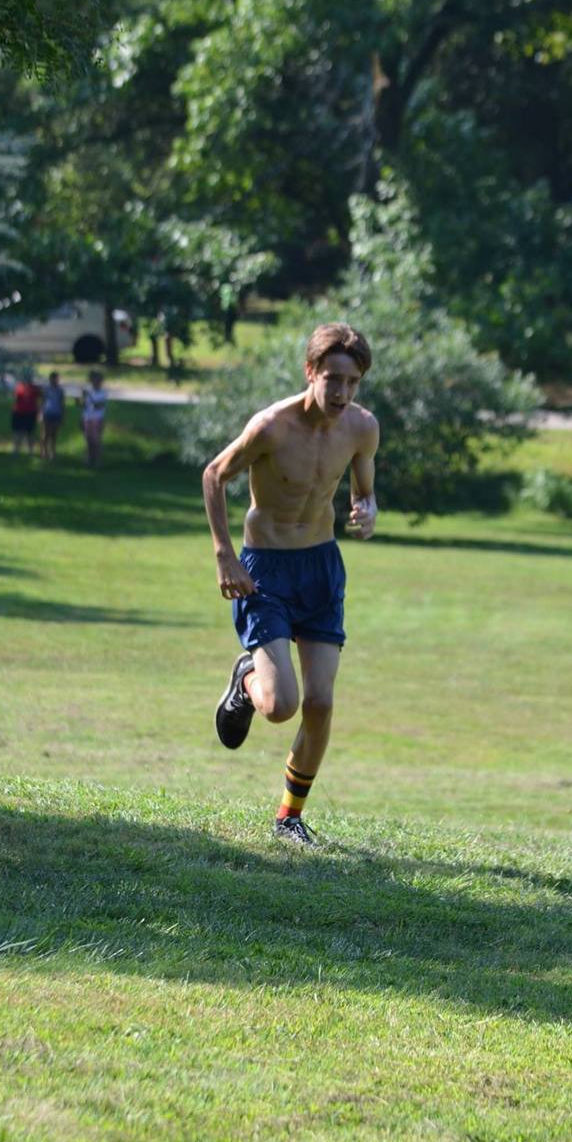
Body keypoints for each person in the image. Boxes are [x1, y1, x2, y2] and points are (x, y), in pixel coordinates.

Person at [203, 322, 378, 846]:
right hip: (266, 572)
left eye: (352, 382)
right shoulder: (271, 427)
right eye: (333, 379)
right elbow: (214, 475)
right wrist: (224, 555)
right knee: (281, 706)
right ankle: (246, 678)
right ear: (310, 372)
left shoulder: (362, 428)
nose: (342, 392)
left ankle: (289, 818)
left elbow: (363, 490)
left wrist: (367, 510)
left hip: (321, 568)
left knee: (320, 703)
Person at [80, 370, 108, 468]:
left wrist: (89, 396)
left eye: (97, 380)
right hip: (87, 418)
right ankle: (89, 459)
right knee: (88, 440)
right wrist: (82, 398)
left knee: (96, 441)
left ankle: (97, 461)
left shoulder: (103, 392)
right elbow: (83, 406)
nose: (94, 382)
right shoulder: (89, 391)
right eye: (93, 380)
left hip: (97, 419)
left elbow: (98, 405)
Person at [11, 374, 41, 455]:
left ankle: (30, 451)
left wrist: (39, 412)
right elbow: (15, 398)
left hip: (30, 413)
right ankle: (16, 450)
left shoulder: (34, 389)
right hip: (18, 412)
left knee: (30, 433)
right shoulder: (18, 387)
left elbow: (39, 400)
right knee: (18, 432)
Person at [40, 371, 65, 461]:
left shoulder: (60, 390)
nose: (54, 380)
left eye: (56, 379)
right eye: (53, 378)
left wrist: (62, 415)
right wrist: (40, 413)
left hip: (56, 413)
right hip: (47, 413)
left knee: (54, 435)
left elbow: (62, 403)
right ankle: (44, 452)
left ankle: (52, 453)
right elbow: (42, 402)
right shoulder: (46, 389)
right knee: (45, 434)